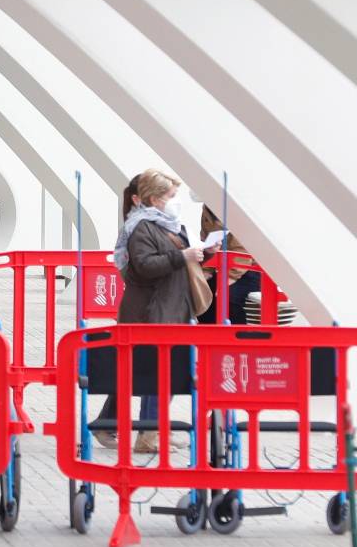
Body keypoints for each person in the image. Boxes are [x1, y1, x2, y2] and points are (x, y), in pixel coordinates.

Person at [93, 169, 215, 453]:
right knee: (155, 373)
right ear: (153, 198)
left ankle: (125, 425)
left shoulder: (169, 224)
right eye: (171, 196)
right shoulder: (140, 227)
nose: (176, 201)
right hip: (150, 311)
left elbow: (179, 259)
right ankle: (147, 435)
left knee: (145, 372)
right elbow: (145, 266)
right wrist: (181, 256)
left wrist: (205, 253)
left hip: (173, 308)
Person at [197, 205, 258, 327]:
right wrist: (206, 270)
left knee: (229, 297)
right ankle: (209, 336)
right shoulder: (207, 209)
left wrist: (230, 277)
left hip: (248, 268)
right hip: (221, 266)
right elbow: (206, 241)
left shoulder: (236, 208)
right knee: (202, 292)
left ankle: (239, 337)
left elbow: (242, 250)